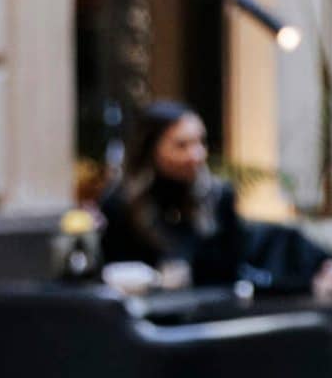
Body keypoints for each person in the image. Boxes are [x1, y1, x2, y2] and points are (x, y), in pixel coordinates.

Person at [98, 102, 246, 284]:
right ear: (152, 148)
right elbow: (116, 271)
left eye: (201, 142)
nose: (197, 155)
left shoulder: (218, 196)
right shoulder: (121, 202)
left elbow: (231, 268)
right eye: (181, 145)